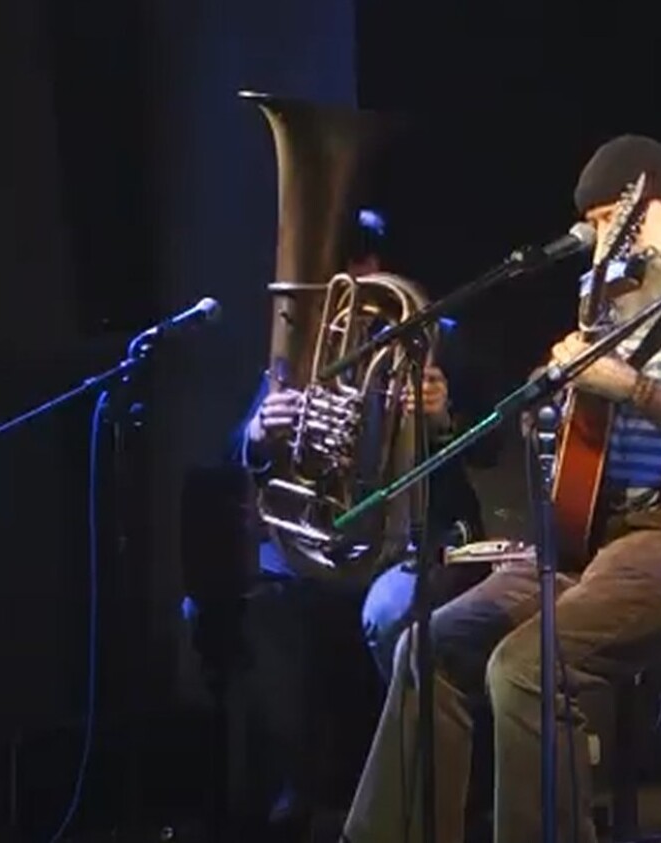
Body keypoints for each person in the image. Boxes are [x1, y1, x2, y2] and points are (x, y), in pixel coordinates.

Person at [341, 135, 661, 843]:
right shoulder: (620, 306)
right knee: (430, 646)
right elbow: (582, 447)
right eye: (596, 230)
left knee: (527, 668)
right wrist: (551, 406)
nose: (607, 246)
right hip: (599, 537)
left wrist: (633, 388)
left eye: (617, 221)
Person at [231, 208, 502, 840]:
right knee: (263, 602)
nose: (356, 273)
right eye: (341, 261)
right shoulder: (300, 343)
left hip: (418, 539)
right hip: (330, 538)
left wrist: (442, 418)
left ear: (379, 261)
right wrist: (260, 432)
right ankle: (300, 784)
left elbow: (491, 446)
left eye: (363, 258)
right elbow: (239, 446)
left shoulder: (439, 337)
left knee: (389, 614)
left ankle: (424, 791)